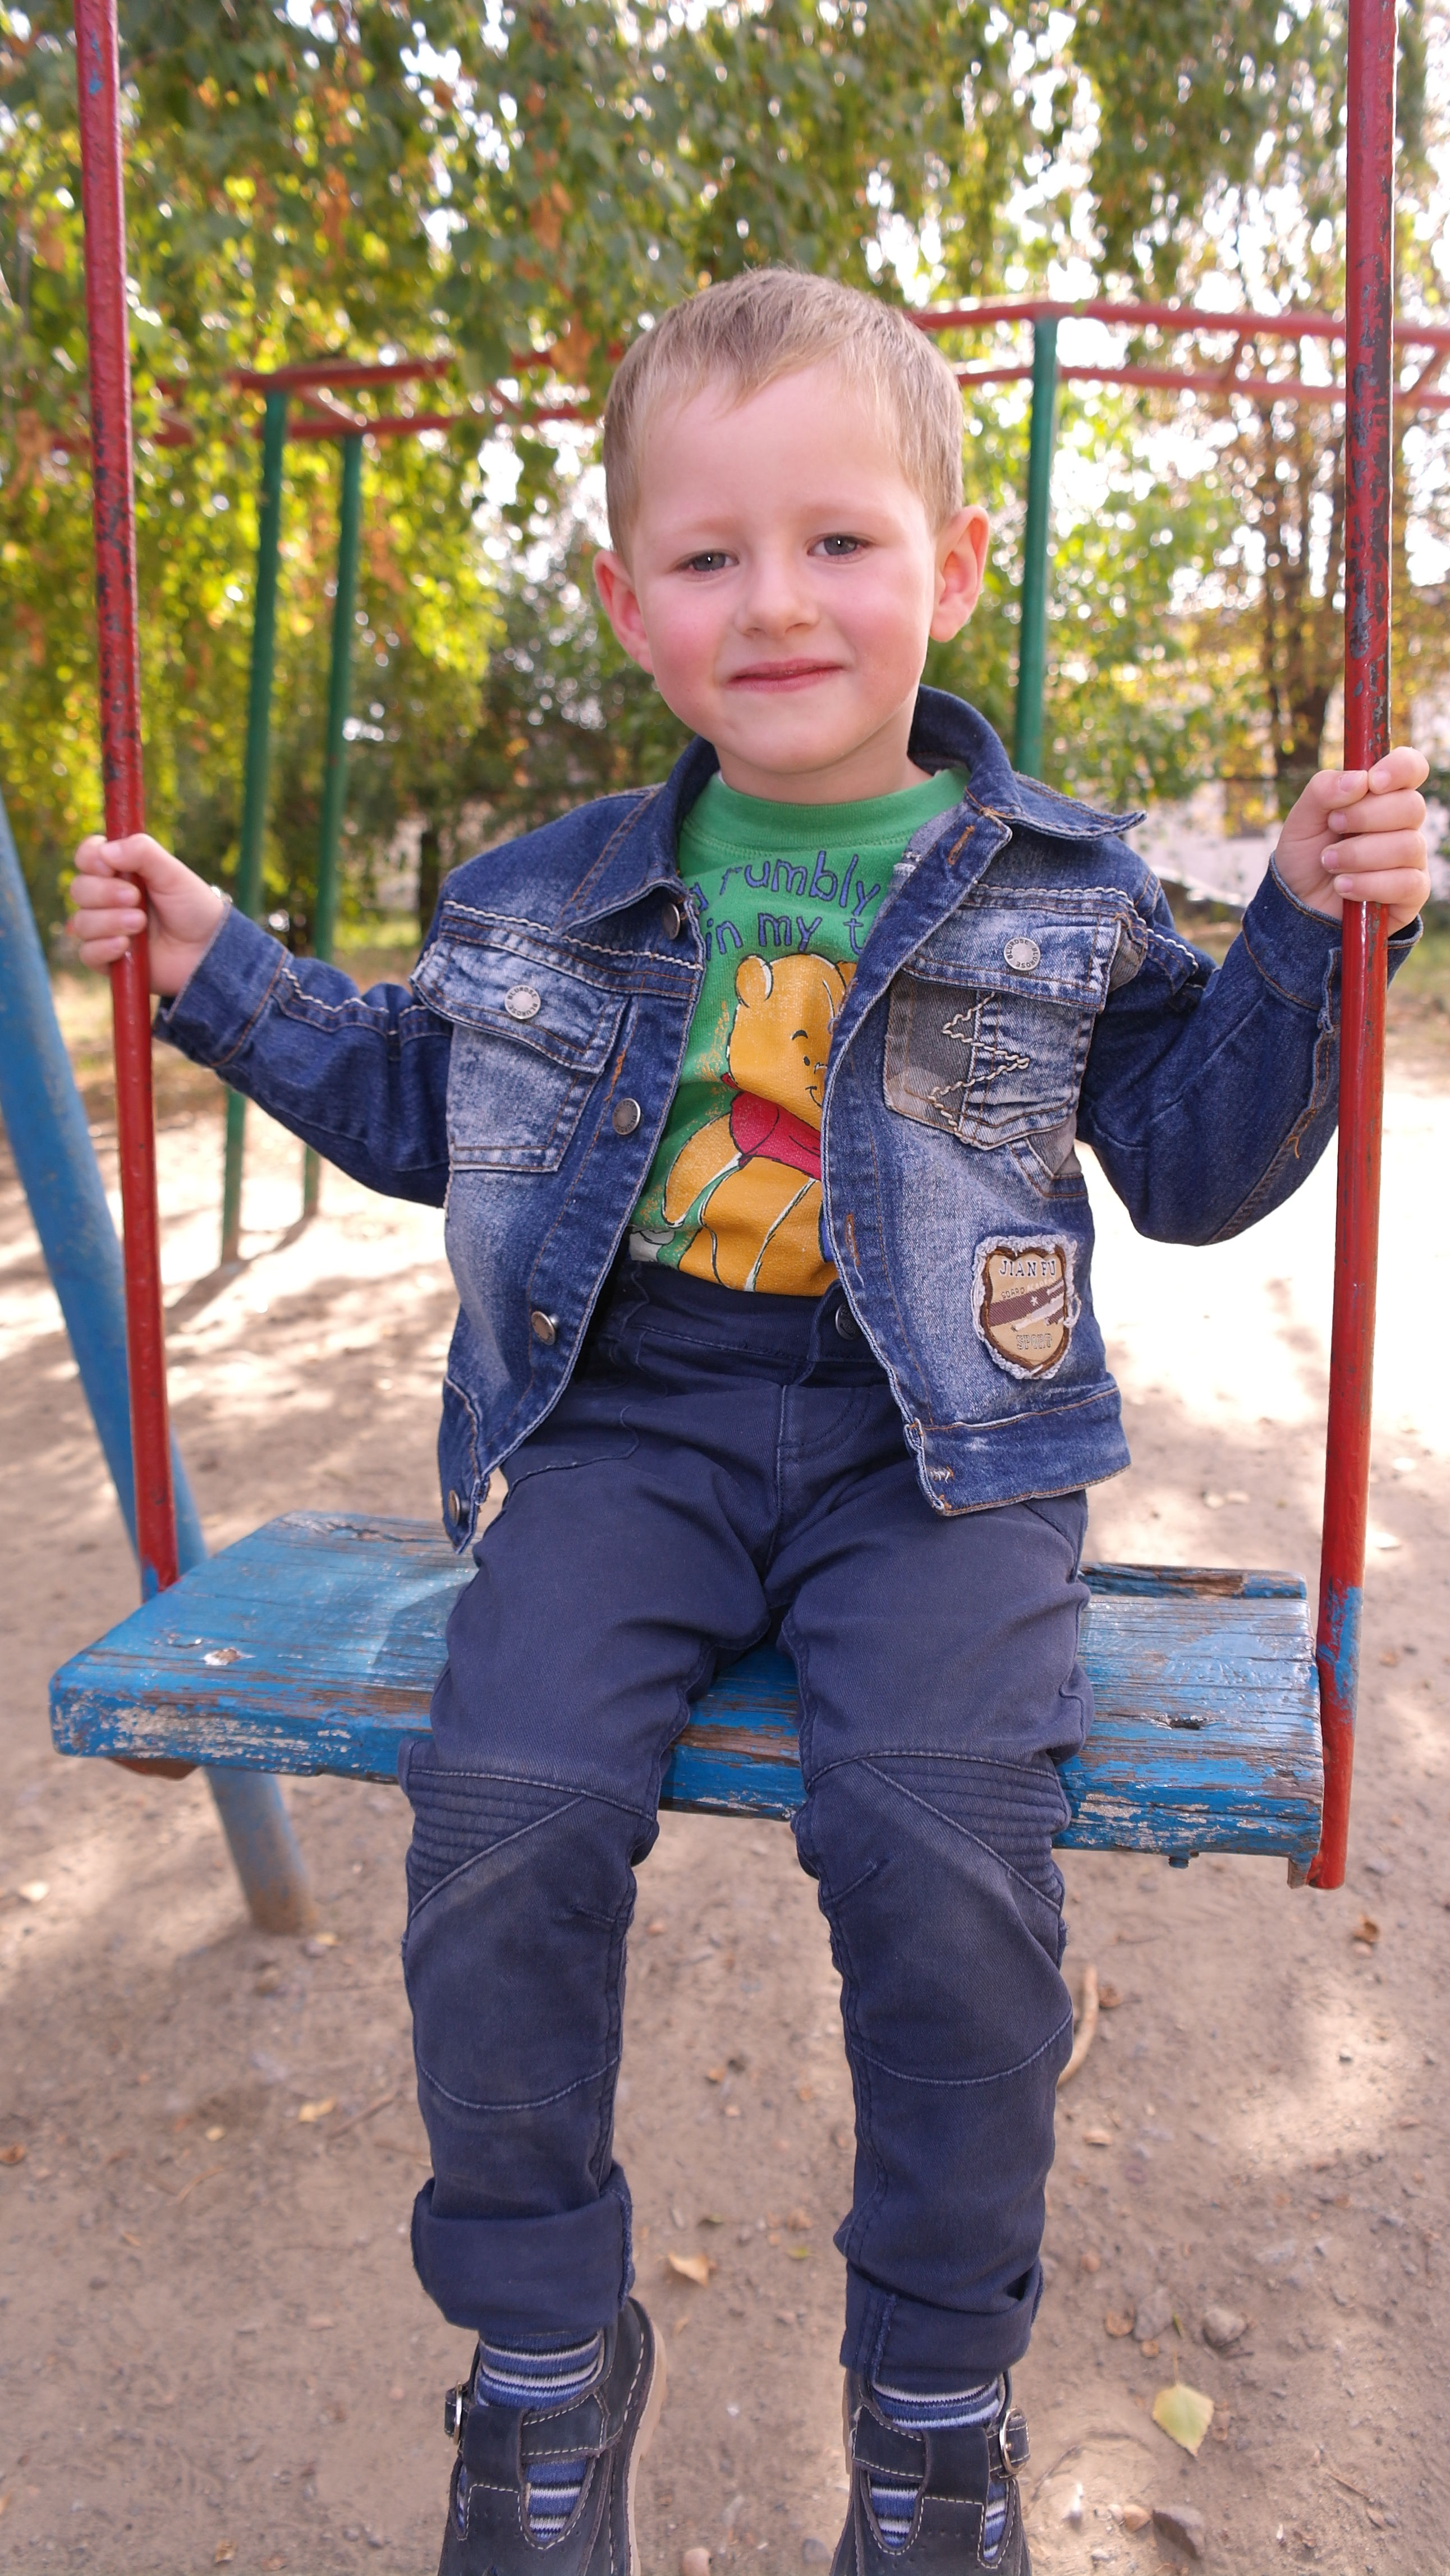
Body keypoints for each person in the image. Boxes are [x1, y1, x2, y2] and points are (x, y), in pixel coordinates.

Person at [71, 270, 1429, 2576]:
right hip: (631, 1425)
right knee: (500, 1807)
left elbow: (1199, 1167)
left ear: (952, 566)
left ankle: (934, 2408)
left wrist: (1311, 928)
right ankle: (540, 2359)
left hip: (943, 1454)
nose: (775, 601)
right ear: (631, 605)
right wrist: (225, 972)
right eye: (708, 555)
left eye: (837, 541)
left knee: (938, 1834)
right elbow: (416, 1103)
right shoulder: (545, 895)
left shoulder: (1062, 886)